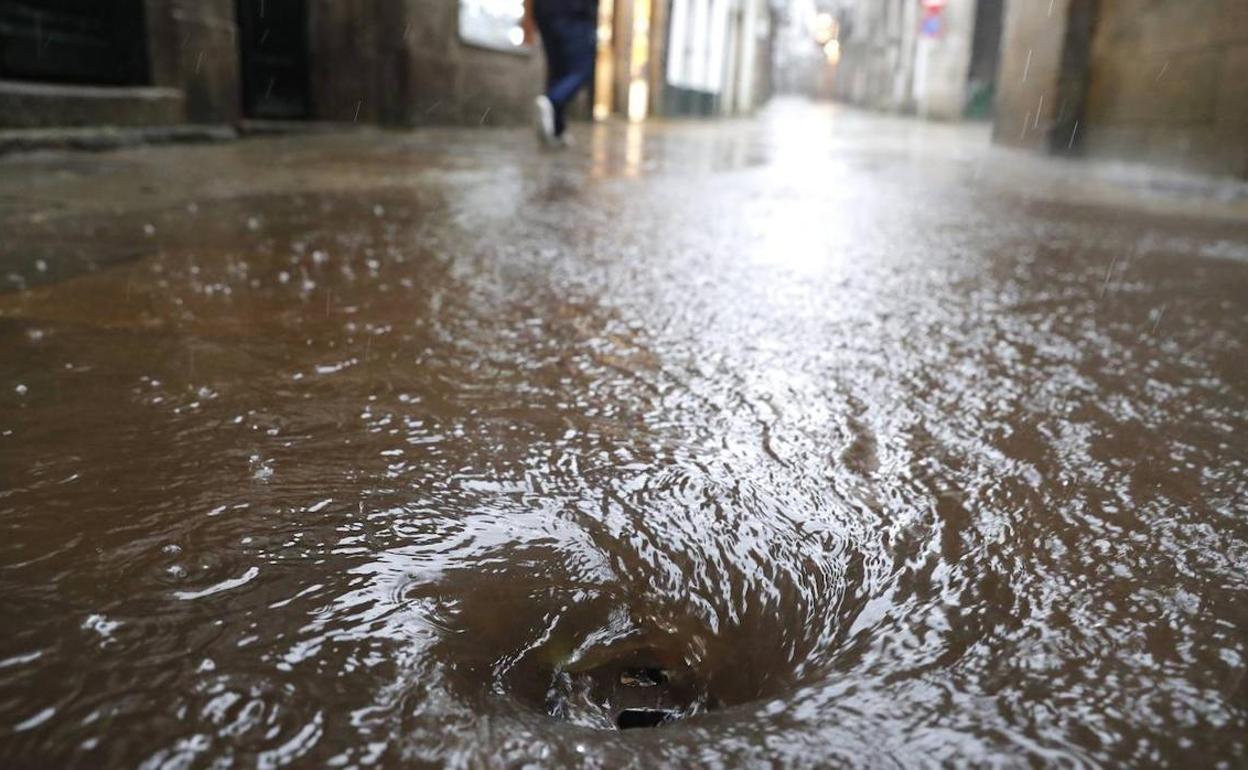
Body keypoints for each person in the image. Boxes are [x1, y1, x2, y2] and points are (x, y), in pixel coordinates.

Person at [524, 0, 597, 147]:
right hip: (573, 11)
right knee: (582, 69)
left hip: (545, 11)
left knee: (557, 69)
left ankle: (557, 129)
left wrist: (528, 16)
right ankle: (552, 101)